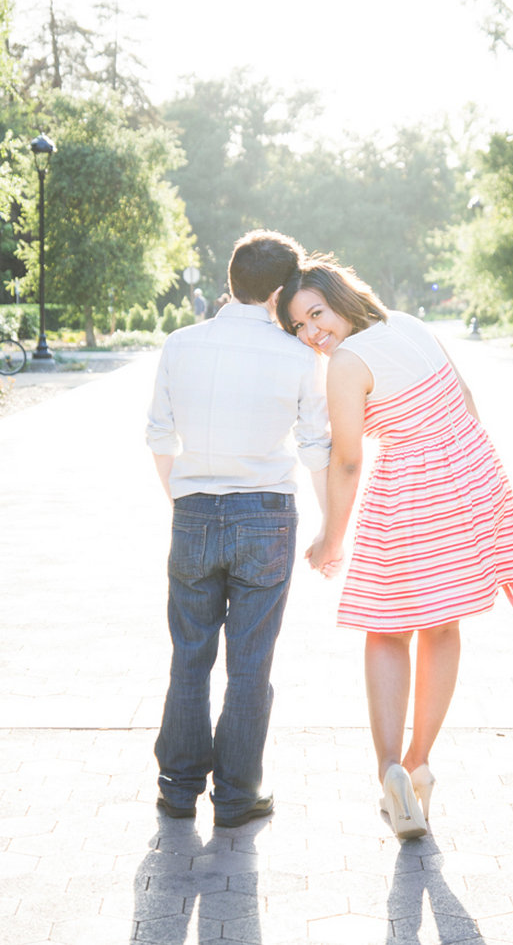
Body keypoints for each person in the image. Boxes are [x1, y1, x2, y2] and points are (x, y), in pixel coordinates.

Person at [277, 258, 513, 840]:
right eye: (299, 327)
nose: (311, 333)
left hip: (408, 492)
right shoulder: (411, 324)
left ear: (341, 297)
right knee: (443, 627)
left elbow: (348, 460)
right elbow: (467, 403)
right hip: (467, 477)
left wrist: (332, 536)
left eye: (315, 314)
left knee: (387, 628)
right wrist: (478, 487)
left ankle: (390, 772)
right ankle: (420, 762)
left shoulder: (347, 364)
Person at [146, 230, 331, 827]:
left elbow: (158, 435)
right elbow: (315, 448)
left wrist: (185, 498)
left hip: (195, 508)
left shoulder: (181, 344)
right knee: (251, 663)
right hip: (266, 516)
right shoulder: (300, 358)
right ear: (279, 294)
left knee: (189, 656)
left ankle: (177, 790)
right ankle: (236, 795)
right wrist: (332, 527)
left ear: (232, 280)